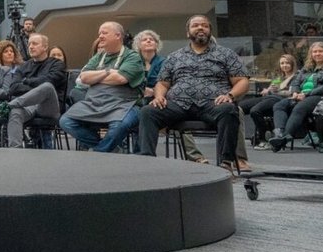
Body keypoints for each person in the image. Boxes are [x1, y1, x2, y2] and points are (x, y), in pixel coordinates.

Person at [138, 15, 248, 170]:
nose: (200, 28)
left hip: (213, 103)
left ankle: (226, 163)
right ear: (187, 32)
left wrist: (230, 95)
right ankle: (147, 161)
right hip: (178, 104)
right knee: (148, 111)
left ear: (210, 31)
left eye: (205, 25)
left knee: (229, 110)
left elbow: (242, 81)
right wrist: (159, 96)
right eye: (195, 25)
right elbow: (162, 83)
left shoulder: (226, 54)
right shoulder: (175, 56)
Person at [59, 22, 146, 152]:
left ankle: (99, 151)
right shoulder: (98, 57)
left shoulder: (132, 57)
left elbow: (121, 78)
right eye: (99, 33)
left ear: (118, 36)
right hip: (94, 103)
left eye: (104, 33)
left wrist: (96, 78)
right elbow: (84, 78)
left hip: (124, 104)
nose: (100, 36)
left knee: (119, 125)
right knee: (66, 121)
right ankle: (110, 149)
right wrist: (107, 71)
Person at [266, 41, 323, 152]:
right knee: (279, 105)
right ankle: (279, 134)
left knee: (299, 107)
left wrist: (306, 94)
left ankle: (284, 138)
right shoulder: (307, 67)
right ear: (311, 54)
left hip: (320, 97)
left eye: (320, 51)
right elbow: (295, 82)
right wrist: (295, 92)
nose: (317, 54)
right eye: (314, 52)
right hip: (300, 96)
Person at [4, 34, 66, 147]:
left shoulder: (57, 64)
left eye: (35, 44)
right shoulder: (23, 66)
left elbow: (50, 82)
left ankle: (8, 106)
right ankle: (14, 151)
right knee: (16, 112)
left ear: (45, 47)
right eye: (29, 44)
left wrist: (26, 81)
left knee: (47, 87)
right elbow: (13, 88)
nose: (31, 47)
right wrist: (36, 86)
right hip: (28, 105)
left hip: (49, 107)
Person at [241, 53, 298, 149]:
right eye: (282, 63)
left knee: (255, 111)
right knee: (239, 107)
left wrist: (277, 91)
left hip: (280, 101)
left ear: (292, 64)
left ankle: (264, 138)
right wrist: (267, 90)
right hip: (268, 97)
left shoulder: (296, 77)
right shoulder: (279, 77)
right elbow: (271, 89)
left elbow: (292, 93)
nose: (284, 65)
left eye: (287, 63)